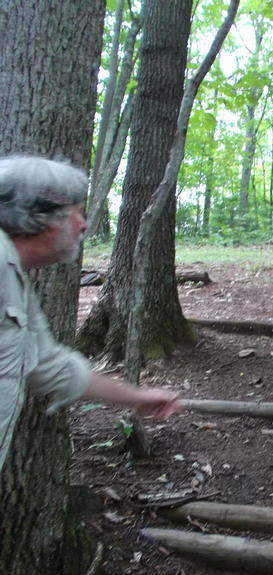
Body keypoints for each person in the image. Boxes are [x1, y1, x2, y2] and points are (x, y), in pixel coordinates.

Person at [0, 154, 182, 472]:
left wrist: (135, 398)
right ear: (39, 214)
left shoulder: (13, 276)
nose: (84, 224)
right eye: (76, 213)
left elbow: (51, 365)